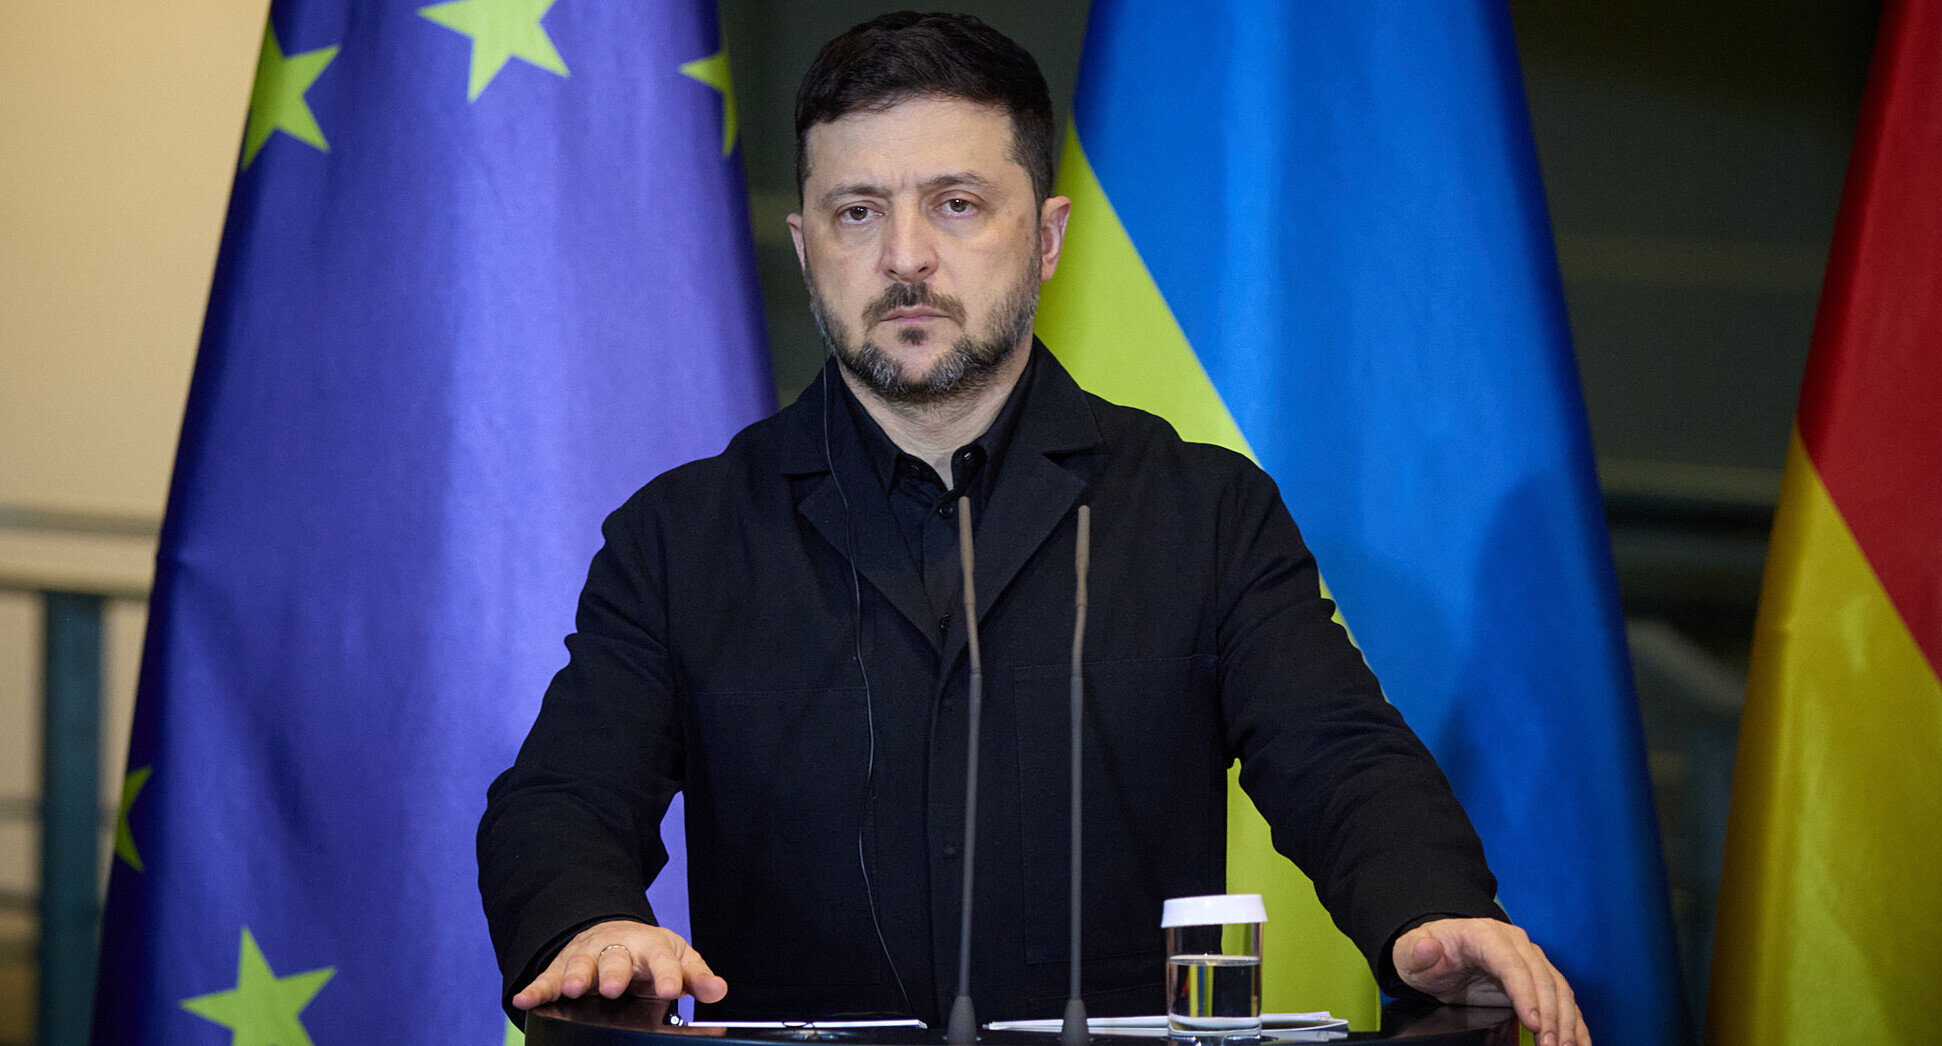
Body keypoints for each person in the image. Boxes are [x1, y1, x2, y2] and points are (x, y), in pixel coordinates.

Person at [478, 13, 1588, 1046]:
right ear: (806, 243)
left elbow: (1339, 757)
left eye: (957, 204)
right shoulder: (681, 536)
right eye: (858, 212)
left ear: (1048, 237)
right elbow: (563, 797)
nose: (905, 256)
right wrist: (588, 922)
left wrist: (1432, 910)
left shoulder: (1201, 511)